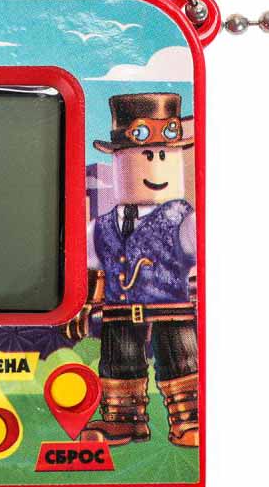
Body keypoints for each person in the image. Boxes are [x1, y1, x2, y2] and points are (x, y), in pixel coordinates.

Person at [66, 93, 198, 447]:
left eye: (162, 155)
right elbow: (92, 267)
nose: (155, 166)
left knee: (181, 359)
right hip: (119, 309)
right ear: (119, 160)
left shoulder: (184, 221)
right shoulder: (103, 226)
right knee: (118, 361)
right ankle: (123, 420)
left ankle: (189, 419)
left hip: (172, 308)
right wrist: (83, 303)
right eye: (144, 156)